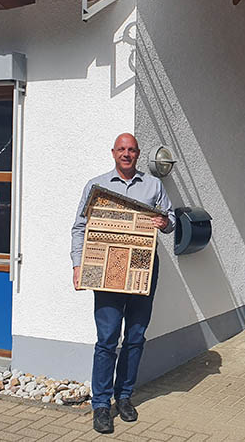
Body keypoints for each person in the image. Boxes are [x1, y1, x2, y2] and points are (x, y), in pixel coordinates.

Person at [71, 133, 176, 435]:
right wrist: (78, 265)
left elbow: (169, 221)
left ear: (138, 153)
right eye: (121, 149)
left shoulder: (154, 185)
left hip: (142, 269)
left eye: (131, 150)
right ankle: (101, 405)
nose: (126, 154)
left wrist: (164, 222)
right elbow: (80, 227)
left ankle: (125, 396)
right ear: (113, 153)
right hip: (107, 270)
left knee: (136, 335)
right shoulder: (97, 186)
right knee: (107, 338)